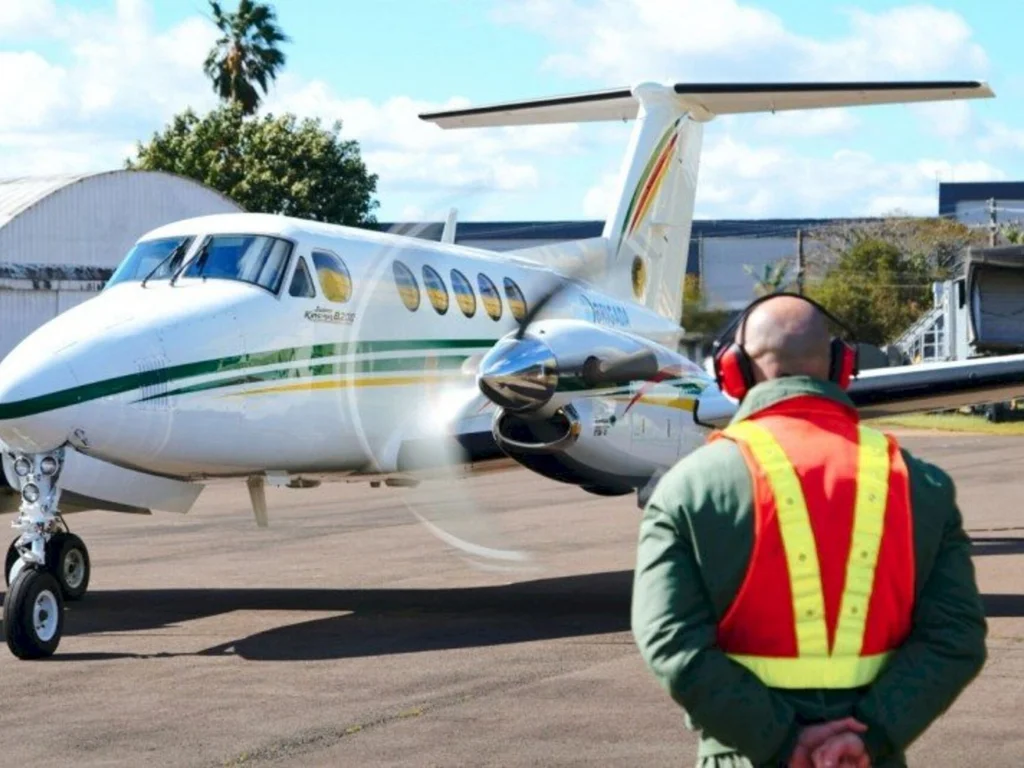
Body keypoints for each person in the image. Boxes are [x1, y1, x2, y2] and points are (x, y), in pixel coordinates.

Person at [630, 292, 988, 767]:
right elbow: (956, 636)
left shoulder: (685, 488)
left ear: (733, 371)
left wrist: (780, 741)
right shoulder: (922, 483)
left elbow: (671, 641)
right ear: (841, 365)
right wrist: (872, 734)